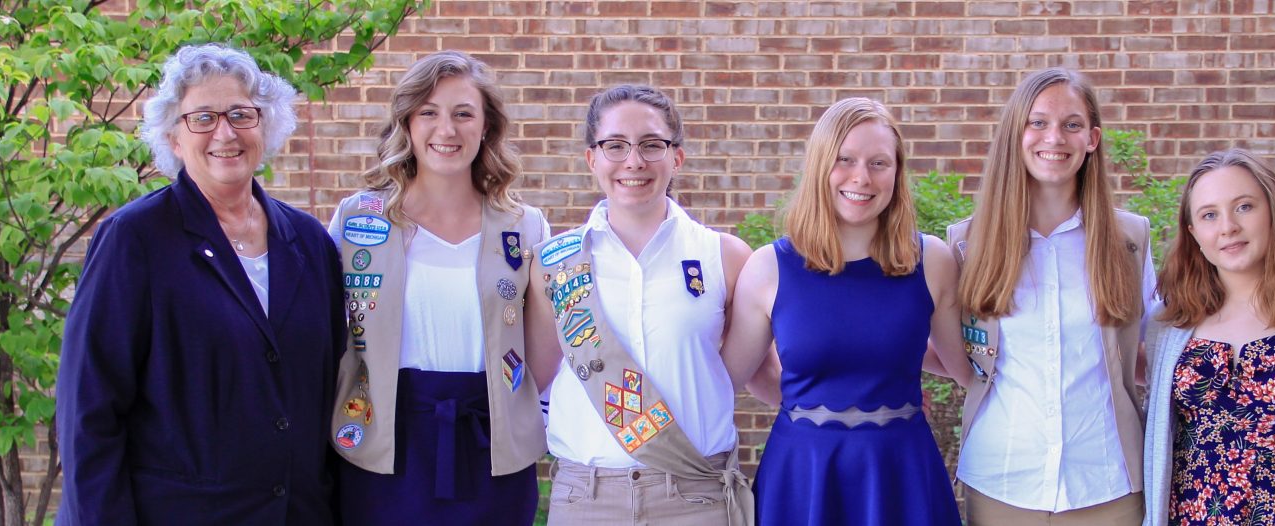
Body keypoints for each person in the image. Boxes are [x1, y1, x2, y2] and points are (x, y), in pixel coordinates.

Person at [56, 43, 343, 526]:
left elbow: (331, 394)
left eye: (240, 114)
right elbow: (88, 412)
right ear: (173, 137)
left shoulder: (310, 243)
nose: (225, 133)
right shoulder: (135, 240)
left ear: (265, 125)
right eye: (203, 118)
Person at [722, 97, 976, 525]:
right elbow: (727, 378)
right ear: (821, 165)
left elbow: (968, 370)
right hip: (804, 474)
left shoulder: (930, 260)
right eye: (845, 159)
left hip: (902, 471)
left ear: (897, 173)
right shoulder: (769, 267)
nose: (862, 177)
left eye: (879, 163)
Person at [327, 51, 551, 525]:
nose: (446, 130)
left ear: (486, 126)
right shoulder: (358, 220)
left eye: (463, 114)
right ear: (406, 124)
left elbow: (542, 359)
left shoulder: (525, 227)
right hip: (383, 444)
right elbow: (327, 338)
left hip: (489, 444)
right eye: (428, 112)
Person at [528, 84, 756, 525]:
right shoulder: (553, 265)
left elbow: (757, 371)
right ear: (592, 158)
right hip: (587, 499)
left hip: (696, 495)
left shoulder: (724, 256)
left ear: (677, 157)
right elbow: (534, 380)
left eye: (652, 145)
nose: (634, 161)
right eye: (616, 145)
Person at [946, 67, 1156, 525]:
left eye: (1072, 124)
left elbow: (1149, 352)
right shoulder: (965, 244)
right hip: (1002, 481)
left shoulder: (1129, 239)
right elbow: (933, 345)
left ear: (1093, 139)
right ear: (1015, 132)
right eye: (1038, 122)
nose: (1054, 137)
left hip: (1108, 483)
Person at [1143, 150, 1275, 526]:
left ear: (1273, 211)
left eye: (1244, 207)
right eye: (1209, 215)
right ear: (1193, 234)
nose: (1228, 227)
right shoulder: (1169, 324)